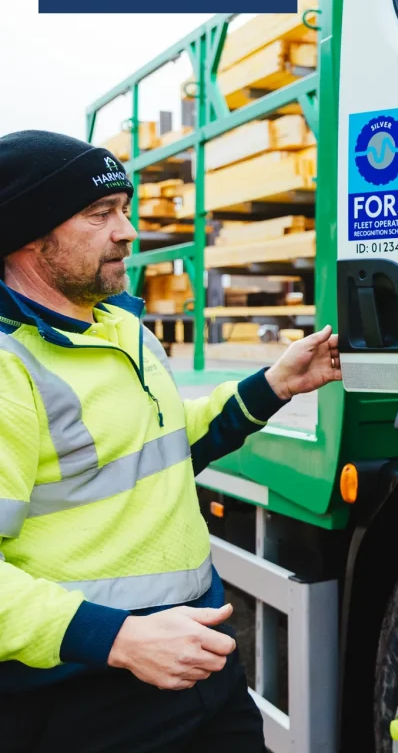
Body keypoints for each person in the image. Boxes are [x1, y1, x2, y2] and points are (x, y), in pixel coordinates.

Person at [0, 130, 342, 752]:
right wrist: (120, 640)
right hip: (85, 696)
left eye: (124, 211)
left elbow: (166, 446)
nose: (128, 231)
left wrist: (274, 385)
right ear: (27, 234)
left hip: (198, 665)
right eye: (100, 215)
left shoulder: (121, 329)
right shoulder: (9, 366)